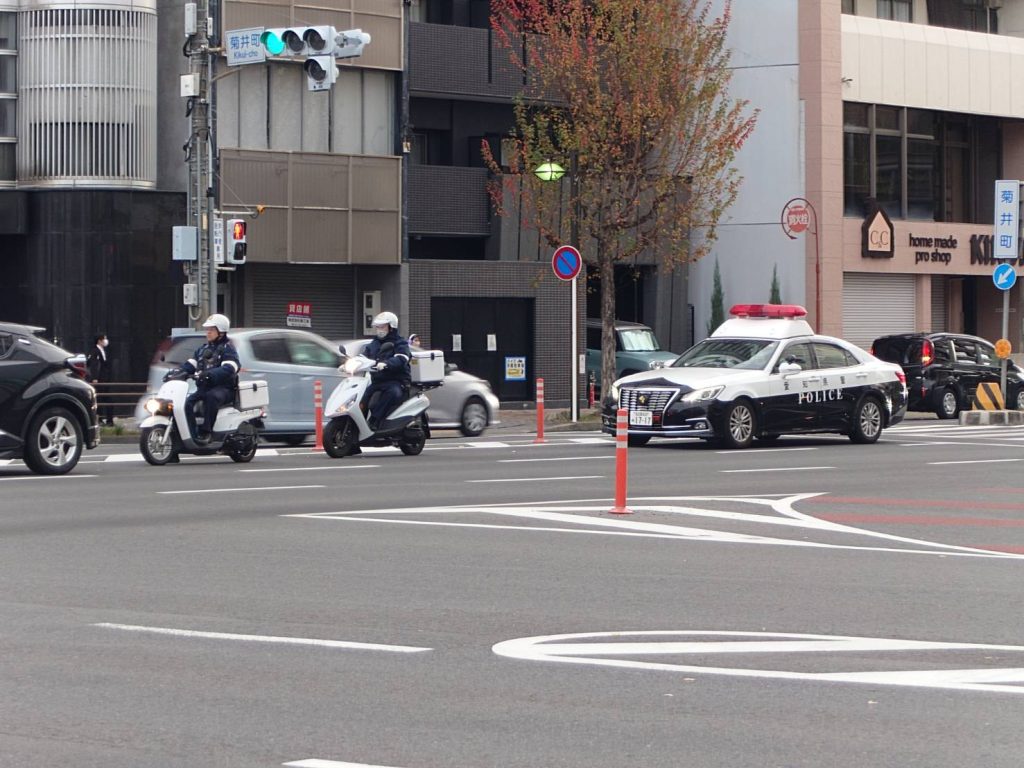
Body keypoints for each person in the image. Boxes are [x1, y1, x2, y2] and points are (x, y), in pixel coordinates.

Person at [179, 314, 240, 443]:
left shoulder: (227, 349)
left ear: (221, 331)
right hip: (205, 387)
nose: (208, 332)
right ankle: (191, 432)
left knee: (211, 397)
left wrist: (211, 374)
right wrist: (178, 372)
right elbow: (191, 364)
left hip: (224, 389)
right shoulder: (203, 349)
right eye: (207, 329)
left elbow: (230, 367)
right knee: (188, 402)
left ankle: (207, 432)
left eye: (211, 329)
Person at [364, 311, 411, 430]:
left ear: (391, 327)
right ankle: (359, 422)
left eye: (382, 326)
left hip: (396, 381)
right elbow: (364, 356)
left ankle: (375, 420)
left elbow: (402, 358)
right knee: (363, 395)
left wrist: (387, 364)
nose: (379, 329)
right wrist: (349, 362)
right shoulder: (374, 343)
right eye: (378, 327)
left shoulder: (400, 342)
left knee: (392, 393)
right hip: (378, 380)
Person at [86, 334, 115, 426]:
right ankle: (100, 419)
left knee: (107, 398)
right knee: (100, 399)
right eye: (104, 339)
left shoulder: (103, 351)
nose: (106, 340)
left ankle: (109, 420)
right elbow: (94, 365)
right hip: (99, 379)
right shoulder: (95, 351)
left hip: (105, 379)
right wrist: (94, 378)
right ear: (99, 340)